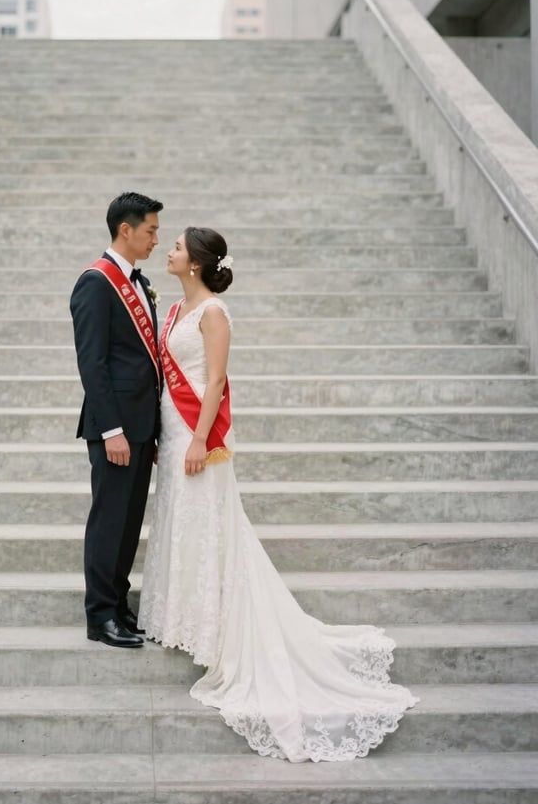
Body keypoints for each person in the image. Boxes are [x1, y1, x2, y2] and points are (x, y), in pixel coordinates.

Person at [139, 226, 418, 761]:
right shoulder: (174, 313)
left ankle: (216, 622)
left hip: (202, 434)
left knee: (208, 520)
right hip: (173, 429)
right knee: (180, 518)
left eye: (176, 247)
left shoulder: (214, 314)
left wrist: (199, 439)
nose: (169, 251)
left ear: (195, 263)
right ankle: (185, 615)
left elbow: (216, 383)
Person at [70, 191, 163, 648]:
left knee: (128, 523)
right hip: (116, 430)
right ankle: (99, 615)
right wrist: (111, 430)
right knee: (109, 520)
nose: (155, 239)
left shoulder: (138, 282)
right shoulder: (95, 282)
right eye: (150, 230)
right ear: (125, 230)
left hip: (142, 425)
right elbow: (94, 364)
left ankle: (119, 607)